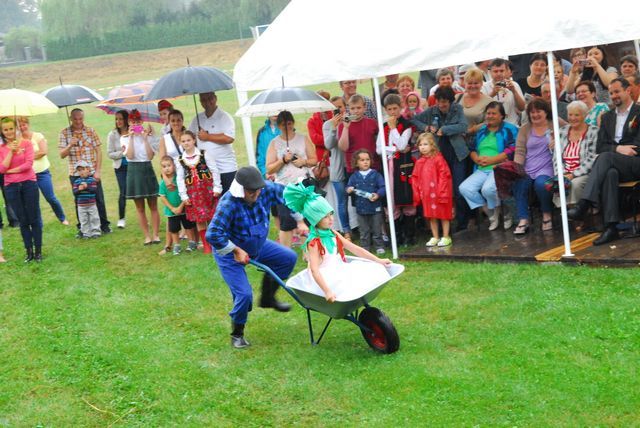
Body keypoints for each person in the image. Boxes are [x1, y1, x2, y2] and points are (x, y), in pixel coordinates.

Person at [206, 166, 307, 349]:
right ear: (241, 189)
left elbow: (290, 196)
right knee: (244, 295)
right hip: (230, 253)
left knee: (288, 258)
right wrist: (235, 250)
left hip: (257, 245)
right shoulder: (228, 204)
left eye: (258, 189)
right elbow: (212, 234)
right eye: (251, 191)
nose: (256, 194)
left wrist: (299, 220)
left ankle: (268, 298)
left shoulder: (265, 189)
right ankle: (237, 334)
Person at [283, 182, 391, 303]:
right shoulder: (314, 242)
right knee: (348, 284)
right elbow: (314, 270)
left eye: (331, 214)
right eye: (325, 217)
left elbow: (354, 248)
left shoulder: (332, 233)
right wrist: (327, 291)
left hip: (335, 268)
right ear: (315, 219)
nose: (331, 219)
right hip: (323, 278)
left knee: (365, 273)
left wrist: (378, 260)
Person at [568, 78, 640, 245]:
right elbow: (600, 146)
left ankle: (584, 204)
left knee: (606, 158)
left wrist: (614, 150)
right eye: (611, 93)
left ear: (628, 90)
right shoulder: (607, 117)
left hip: (636, 162)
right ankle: (611, 227)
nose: (613, 96)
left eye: (617, 91)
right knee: (609, 173)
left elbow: (637, 145)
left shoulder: (639, 112)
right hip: (614, 163)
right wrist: (618, 149)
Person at [411, 86, 470, 231]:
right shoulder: (432, 111)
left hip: (457, 154)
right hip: (439, 157)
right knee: (442, 190)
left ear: (450, 101)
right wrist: (426, 127)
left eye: (444, 102)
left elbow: (463, 126)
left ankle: (463, 222)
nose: (441, 105)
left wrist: (445, 129)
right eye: (439, 101)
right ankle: (445, 223)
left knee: (459, 189)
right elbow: (414, 119)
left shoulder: (457, 109)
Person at [459, 102, 518, 231]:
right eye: (488, 113)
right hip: (482, 168)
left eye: (494, 113)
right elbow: (472, 148)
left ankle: (505, 212)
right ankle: (491, 212)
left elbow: (512, 149)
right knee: (465, 188)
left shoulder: (510, 129)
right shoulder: (482, 130)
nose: (490, 116)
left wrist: (493, 160)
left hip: (500, 168)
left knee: (488, 189)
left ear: (502, 116)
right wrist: (476, 159)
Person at [265, 110, 317, 248]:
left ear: (293, 123)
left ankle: (308, 251)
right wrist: (282, 160)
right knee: (286, 220)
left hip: (303, 183)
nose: (286, 127)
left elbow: (314, 160)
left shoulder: (303, 139)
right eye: (283, 124)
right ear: (278, 126)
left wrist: (303, 161)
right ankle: (285, 253)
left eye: (289, 123)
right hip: (283, 186)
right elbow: (269, 168)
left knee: (306, 218)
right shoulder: (274, 143)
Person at [58, 108, 111, 236]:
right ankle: (83, 228)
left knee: (98, 199)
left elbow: (98, 151)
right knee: (79, 200)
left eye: (80, 118)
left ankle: (103, 225)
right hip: (75, 174)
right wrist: (70, 145)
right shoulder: (64, 133)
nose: (78, 121)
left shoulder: (90, 131)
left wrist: (97, 171)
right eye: (75, 119)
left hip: (91, 171)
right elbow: (62, 154)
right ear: (71, 118)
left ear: (83, 118)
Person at [0, 117, 43, 262]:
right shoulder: (2, 148)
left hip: (29, 183)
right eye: (5, 130)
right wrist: (11, 152)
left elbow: (28, 164)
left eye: (11, 128)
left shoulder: (26, 143)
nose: (9, 132)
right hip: (11, 187)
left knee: (34, 217)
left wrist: (10, 171)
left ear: (16, 129)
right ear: (2, 131)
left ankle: (38, 251)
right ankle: (29, 251)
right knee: (22, 220)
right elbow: (1, 168)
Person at [512, 99, 555, 235]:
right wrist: (517, 168)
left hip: (547, 167)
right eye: (532, 112)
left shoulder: (555, 123)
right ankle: (523, 219)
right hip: (528, 167)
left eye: (538, 111)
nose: (535, 115)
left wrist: (558, 141)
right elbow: (520, 151)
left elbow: (569, 135)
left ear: (546, 112)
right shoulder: (525, 128)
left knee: (542, 184)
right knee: (519, 183)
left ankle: (546, 214)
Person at [176, 131, 222, 254]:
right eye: (183, 141)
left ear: (194, 140)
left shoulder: (203, 154)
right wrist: (183, 195)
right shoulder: (180, 160)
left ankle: (215, 242)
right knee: (200, 219)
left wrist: (217, 187)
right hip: (193, 194)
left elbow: (214, 170)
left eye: (188, 140)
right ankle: (206, 245)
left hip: (207, 191)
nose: (186, 143)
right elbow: (180, 178)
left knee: (212, 217)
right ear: (180, 143)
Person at [18, 116, 68, 225]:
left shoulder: (37, 136)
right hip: (27, 175)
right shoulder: (18, 140)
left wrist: (27, 157)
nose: (22, 127)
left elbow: (43, 152)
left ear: (28, 124)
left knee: (50, 197)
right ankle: (37, 223)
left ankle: (62, 218)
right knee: (32, 201)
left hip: (42, 173)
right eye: (19, 126)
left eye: (24, 124)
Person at [381, 94, 416, 245]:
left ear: (400, 108)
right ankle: (397, 235)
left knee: (406, 195)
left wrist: (394, 129)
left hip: (404, 164)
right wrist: (394, 149)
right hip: (390, 165)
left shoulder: (406, 125)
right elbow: (380, 148)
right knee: (392, 197)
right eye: (389, 109)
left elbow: (402, 144)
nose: (392, 112)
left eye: (395, 108)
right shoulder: (383, 126)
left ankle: (410, 235)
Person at [122, 109, 161, 245]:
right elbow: (130, 156)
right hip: (133, 170)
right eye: (133, 122)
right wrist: (132, 137)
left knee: (153, 205)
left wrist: (145, 139)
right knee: (140, 208)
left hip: (147, 168)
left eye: (138, 121)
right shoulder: (124, 138)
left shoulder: (148, 136)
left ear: (142, 121)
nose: (135, 124)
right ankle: (147, 236)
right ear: (129, 122)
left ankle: (156, 235)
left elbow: (150, 156)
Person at [188, 92, 237, 193]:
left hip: (225, 169)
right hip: (206, 171)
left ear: (215, 98)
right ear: (200, 102)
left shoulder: (225, 117)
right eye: (203, 100)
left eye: (210, 98)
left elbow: (229, 138)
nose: (207, 102)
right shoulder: (197, 119)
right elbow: (189, 137)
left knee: (229, 198)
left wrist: (207, 137)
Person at [553, 101, 599, 206]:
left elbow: (592, 159)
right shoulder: (562, 131)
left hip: (584, 173)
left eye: (577, 115)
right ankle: (565, 212)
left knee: (574, 184)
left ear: (585, 115)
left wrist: (573, 175)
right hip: (564, 172)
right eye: (570, 114)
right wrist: (562, 174)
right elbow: (556, 157)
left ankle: (576, 212)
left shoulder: (594, 131)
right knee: (558, 183)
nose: (573, 118)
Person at [411, 132, 453, 247]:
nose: (423, 147)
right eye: (420, 145)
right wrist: (418, 193)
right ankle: (435, 237)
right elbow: (415, 178)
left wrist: (443, 192)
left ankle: (446, 236)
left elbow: (444, 176)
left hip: (439, 193)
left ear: (432, 145)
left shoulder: (438, 159)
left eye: (425, 144)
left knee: (443, 215)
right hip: (427, 194)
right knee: (431, 216)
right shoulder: (419, 162)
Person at [346, 149, 386, 254]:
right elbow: (348, 187)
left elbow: (383, 187)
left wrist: (378, 194)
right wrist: (349, 189)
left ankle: (379, 246)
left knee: (377, 229)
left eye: (367, 159)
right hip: (361, 209)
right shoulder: (354, 176)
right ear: (356, 163)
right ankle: (365, 248)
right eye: (362, 160)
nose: (365, 162)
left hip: (375, 208)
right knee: (364, 230)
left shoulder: (376, 174)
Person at [323, 96, 351, 239]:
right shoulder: (328, 124)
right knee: (342, 201)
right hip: (337, 168)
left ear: (345, 107)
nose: (338, 110)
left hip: (352, 165)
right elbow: (329, 145)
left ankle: (363, 228)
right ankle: (346, 231)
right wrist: (334, 128)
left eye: (340, 107)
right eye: (334, 108)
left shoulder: (350, 120)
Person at [158, 156, 196, 255]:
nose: (167, 168)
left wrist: (181, 206)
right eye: (164, 166)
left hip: (184, 208)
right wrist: (172, 208)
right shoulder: (163, 183)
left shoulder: (179, 179)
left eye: (169, 165)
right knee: (174, 229)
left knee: (188, 226)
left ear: (174, 166)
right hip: (172, 211)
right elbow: (163, 197)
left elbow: (185, 192)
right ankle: (177, 245)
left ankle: (191, 242)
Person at [338, 94, 380, 174]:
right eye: (352, 108)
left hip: (373, 166)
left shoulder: (372, 123)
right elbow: (343, 148)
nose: (356, 111)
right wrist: (346, 128)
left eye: (358, 108)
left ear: (364, 108)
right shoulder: (343, 126)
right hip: (354, 168)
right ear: (348, 109)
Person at [481, 58, 526, 125]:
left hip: (511, 125)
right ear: (490, 72)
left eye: (501, 71)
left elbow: (522, 108)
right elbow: (481, 109)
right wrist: (492, 94)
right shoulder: (484, 86)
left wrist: (514, 91)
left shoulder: (514, 85)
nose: (499, 74)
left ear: (506, 71)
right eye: (495, 71)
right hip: (491, 126)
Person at [457, 68, 493, 144]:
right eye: (470, 83)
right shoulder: (457, 97)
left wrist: (471, 130)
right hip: (456, 142)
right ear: (465, 84)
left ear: (481, 83)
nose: (473, 86)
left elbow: (490, 122)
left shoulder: (489, 101)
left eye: (476, 83)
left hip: (478, 142)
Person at [106, 110, 129, 229]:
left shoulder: (132, 131)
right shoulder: (112, 134)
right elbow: (110, 153)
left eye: (121, 119)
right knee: (123, 191)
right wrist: (122, 152)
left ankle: (143, 216)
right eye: (116, 119)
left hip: (133, 165)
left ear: (126, 119)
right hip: (120, 168)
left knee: (137, 192)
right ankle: (121, 218)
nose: (118, 121)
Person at [72, 160, 101, 239]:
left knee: (94, 218)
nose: (81, 172)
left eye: (83, 169)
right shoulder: (77, 181)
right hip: (81, 205)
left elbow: (94, 190)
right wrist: (79, 189)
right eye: (79, 170)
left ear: (88, 169)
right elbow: (74, 192)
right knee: (84, 220)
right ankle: (86, 233)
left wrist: (86, 187)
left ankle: (96, 232)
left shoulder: (92, 180)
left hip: (92, 204)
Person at [307, 90, 333, 164]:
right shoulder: (312, 121)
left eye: (325, 101)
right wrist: (331, 140)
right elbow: (315, 139)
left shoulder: (334, 116)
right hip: (322, 157)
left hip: (336, 154)